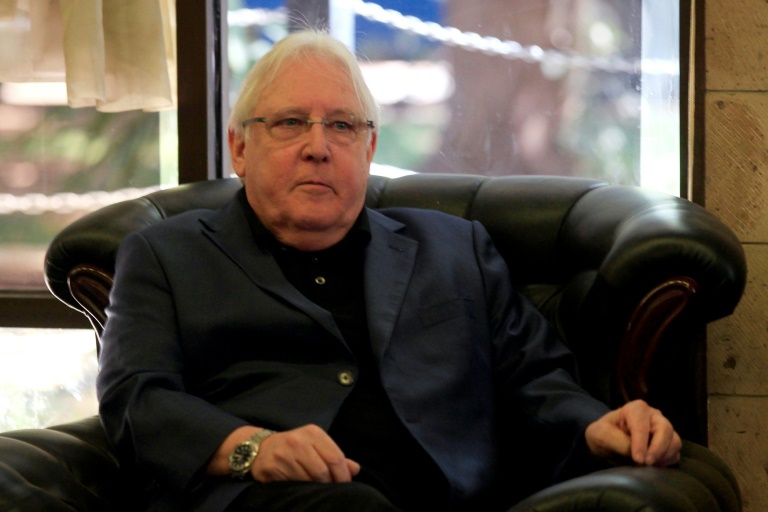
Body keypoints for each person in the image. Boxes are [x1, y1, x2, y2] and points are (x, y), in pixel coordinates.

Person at [96, 29, 682, 512]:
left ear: (369, 149)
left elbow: (533, 380)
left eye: (343, 126)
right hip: (265, 499)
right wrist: (254, 449)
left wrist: (597, 425)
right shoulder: (165, 255)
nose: (318, 146)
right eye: (291, 123)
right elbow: (135, 397)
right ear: (240, 148)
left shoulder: (456, 249)